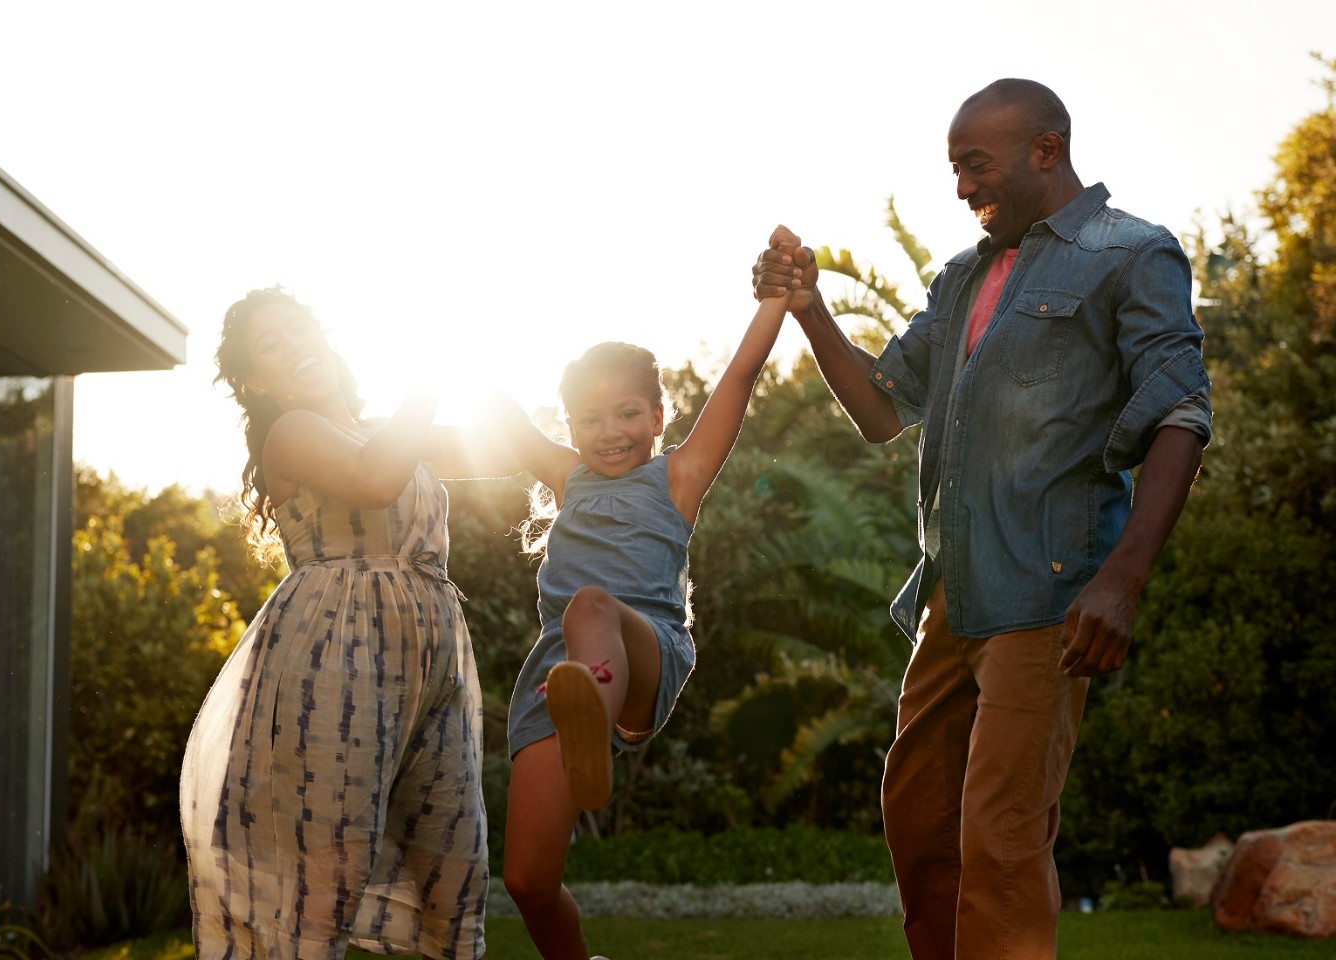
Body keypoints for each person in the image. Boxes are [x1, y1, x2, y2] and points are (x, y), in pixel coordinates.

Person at [752, 79, 1211, 959]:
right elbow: (883, 411)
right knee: (920, 826)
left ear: (1046, 149)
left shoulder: (1130, 254)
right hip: (950, 604)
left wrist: (1122, 578)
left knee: (1000, 844)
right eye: (954, 169)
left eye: (975, 165)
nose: (962, 188)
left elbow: (1180, 414)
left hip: (1046, 604)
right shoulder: (962, 276)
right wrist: (810, 308)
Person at [181, 287, 519, 960]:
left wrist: (602, 461)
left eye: (297, 328)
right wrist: (437, 367)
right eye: (268, 345)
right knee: (324, 887)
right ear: (256, 380)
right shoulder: (292, 433)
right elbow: (373, 478)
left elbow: (509, 448)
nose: (293, 345)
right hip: (333, 658)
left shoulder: (392, 435)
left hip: (432, 664)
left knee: (458, 880)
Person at [492, 236, 796, 960]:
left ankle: (590, 725)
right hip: (557, 676)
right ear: (570, 429)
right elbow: (499, 417)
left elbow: (743, 377)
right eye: (590, 420)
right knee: (527, 882)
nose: (610, 433)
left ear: (659, 416)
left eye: (627, 414)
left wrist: (777, 298)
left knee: (591, 605)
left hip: (644, 653)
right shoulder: (570, 479)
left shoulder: (679, 478)